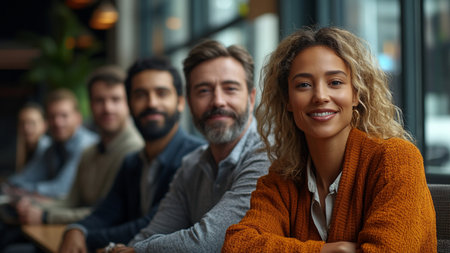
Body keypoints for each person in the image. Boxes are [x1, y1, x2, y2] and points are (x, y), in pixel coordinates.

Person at [222, 27, 436, 252]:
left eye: (335, 82)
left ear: (356, 94)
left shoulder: (396, 160)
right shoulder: (283, 179)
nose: (320, 96)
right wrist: (327, 250)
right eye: (304, 85)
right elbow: (236, 245)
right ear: (287, 100)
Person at [109, 40, 271, 253]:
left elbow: (208, 242)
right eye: (203, 91)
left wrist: (136, 251)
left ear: (251, 98)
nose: (218, 101)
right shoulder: (191, 165)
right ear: (189, 102)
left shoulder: (267, 156)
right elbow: (153, 231)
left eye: (230, 89)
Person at [59, 57, 205, 252]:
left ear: (180, 102)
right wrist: (76, 230)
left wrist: (86, 238)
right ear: (129, 104)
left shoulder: (195, 157)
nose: (152, 103)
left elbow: (151, 225)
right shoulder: (132, 162)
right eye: (141, 95)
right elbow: (106, 212)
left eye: (161, 93)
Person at [16, 65, 144, 225]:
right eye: (99, 100)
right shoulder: (89, 152)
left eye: (115, 99)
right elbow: (71, 201)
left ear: (128, 104)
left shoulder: (135, 150)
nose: (107, 108)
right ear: (90, 106)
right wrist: (35, 207)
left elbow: (105, 213)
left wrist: (45, 216)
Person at [6, 88, 98, 198]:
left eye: (64, 116)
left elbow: (61, 189)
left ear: (78, 118)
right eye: (52, 116)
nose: (57, 122)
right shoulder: (52, 148)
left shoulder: (85, 145)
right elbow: (27, 176)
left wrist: (20, 189)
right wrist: (11, 186)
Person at [14, 102, 51, 173]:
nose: (26, 128)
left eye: (32, 123)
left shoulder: (48, 150)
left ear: (44, 125)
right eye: (22, 123)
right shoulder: (21, 148)